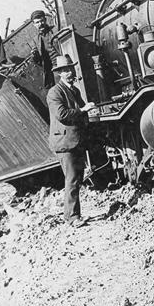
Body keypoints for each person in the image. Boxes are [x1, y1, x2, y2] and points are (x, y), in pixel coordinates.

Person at [47, 54, 95, 226]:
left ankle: (73, 215)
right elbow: (62, 115)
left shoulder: (74, 90)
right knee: (72, 179)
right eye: (64, 70)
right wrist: (84, 109)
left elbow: (81, 111)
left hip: (75, 140)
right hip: (65, 143)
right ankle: (72, 218)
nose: (69, 73)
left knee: (76, 178)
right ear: (59, 73)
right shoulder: (54, 92)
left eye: (70, 69)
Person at [28, 9, 59, 89]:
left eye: (42, 21)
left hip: (62, 63)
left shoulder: (55, 30)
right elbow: (38, 62)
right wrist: (34, 56)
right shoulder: (35, 40)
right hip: (52, 70)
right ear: (34, 24)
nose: (40, 24)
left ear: (45, 20)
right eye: (37, 22)